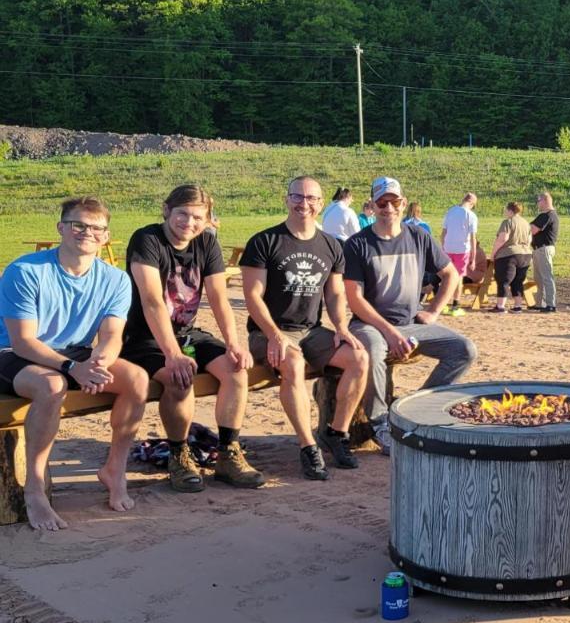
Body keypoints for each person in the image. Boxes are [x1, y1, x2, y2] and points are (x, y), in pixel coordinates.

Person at [0, 197, 148, 530]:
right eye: (77, 225)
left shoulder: (115, 279)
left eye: (96, 228)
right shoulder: (26, 270)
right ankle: (34, 489)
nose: (86, 232)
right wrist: (72, 368)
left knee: (137, 378)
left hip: (75, 350)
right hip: (12, 351)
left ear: (106, 236)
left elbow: (112, 337)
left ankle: (114, 470)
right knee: (52, 385)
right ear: (61, 229)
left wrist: (99, 363)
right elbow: (23, 340)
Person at [121, 185, 264, 491]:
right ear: (166, 210)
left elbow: (218, 298)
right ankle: (179, 454)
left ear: (207, 219)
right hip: (146, 339)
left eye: (198, 216)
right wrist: (172, 354)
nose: (189, 222)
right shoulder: (146, 240)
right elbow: (151, 301)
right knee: (180, 377)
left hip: (188, 333)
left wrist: (234, 343)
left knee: (237, 370)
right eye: (182, 214)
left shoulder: (207, 243)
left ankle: (228, 453)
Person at [241, 176, 369, 480]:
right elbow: (252, 296)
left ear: (321, 204)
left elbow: (335, 293)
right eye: (297, 197)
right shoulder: (265, 241)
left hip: (312, 331)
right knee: (294, 363)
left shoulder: (331, 245)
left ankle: (336, 433)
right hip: (266, 332)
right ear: (286, 200)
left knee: (359, 358)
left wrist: (340, 326)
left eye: (311, 198)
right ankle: (307, 446)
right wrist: (274, 335)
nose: (304, 204)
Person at [344, 177, 477, 454]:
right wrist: (390, 332)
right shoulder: (357, 244)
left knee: (464, 350)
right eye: (382, 202)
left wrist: (433, 310)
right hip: (369, 323)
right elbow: (354, 299)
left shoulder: (418, 237)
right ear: (373, 205)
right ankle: (380, 422)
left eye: (394, 201)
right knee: (374, 349)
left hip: (410, 322)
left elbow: (450, 274)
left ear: (403, 204)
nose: (388, 208)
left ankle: (413, 407)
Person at [491, 201, 533, 313]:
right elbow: (529, 240)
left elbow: (503, 238)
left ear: (510, 210)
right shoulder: (526, 223)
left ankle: (500, 306)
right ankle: (518, 306)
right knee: (518, 281)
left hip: (509, 254)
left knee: (504, 280)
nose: (505, 212)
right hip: (525, 254)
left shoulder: (508, 222)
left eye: (506, 209)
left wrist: (493, 253)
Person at [441, 193, 478, 316]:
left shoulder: (450, 212)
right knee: (459, 277)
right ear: (472, 204)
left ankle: (443, 303)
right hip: (462, 249)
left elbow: (443, 232)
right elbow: (473, 238)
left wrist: (443, 247)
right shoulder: (471, 216)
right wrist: (473, 257)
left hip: (448, 248)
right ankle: (455, 306)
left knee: (446, 276)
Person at [530, 191, 559, 312]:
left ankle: (550, 304)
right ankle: (539, 303)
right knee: (539, 278)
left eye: (539, 201)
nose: (537, 203)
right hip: (540, 249)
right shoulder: (547, 215)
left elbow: (533, 229)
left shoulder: (547, 215)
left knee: (546, 277)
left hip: (544, 249)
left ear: (545, 201)